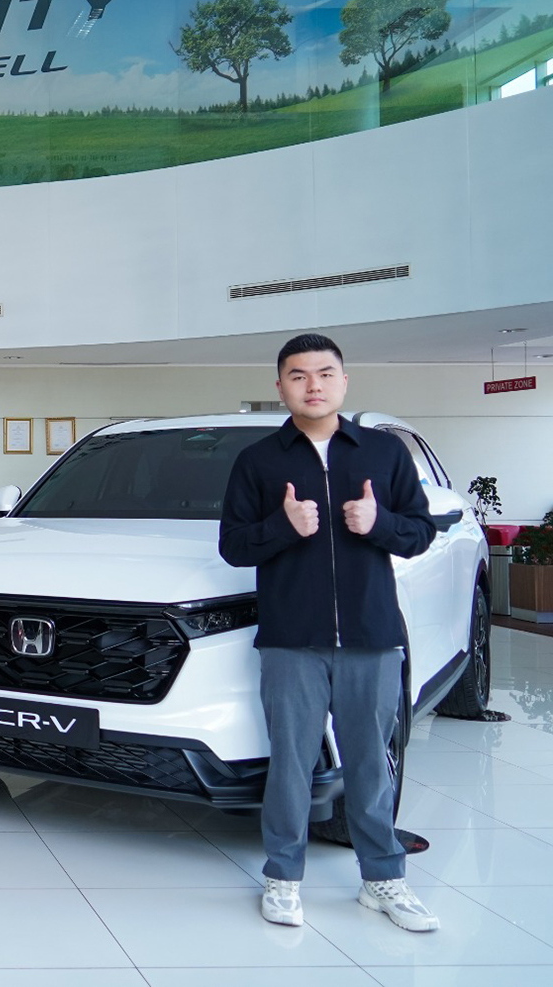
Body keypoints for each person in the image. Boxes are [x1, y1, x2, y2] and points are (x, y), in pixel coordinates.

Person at [219, 333, 439, 933]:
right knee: (290, 764)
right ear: (280, 387)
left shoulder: (384, 453)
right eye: (298, 375)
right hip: (291, 639)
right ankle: (283, 877)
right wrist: (283, 526)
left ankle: (383, 879)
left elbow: (420, 533)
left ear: (344, 381)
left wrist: (379, 522)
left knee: (371, 763)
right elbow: (234, 546)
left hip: (371, 635)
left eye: (323, 373)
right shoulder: (258, 461)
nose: (312, 385)